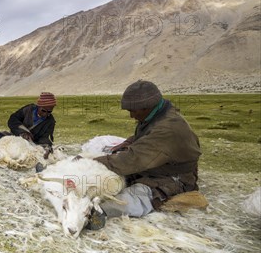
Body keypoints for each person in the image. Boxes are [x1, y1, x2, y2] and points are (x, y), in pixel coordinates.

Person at [86, 80, 201, 230]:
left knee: (136, 195)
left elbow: (131, 160)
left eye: (133, 111)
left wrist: (90, 162)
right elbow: (147, 137)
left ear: (146, 107)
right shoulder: (157, 114)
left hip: (173, 177)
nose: (131, 116)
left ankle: (99, 212)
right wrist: (128, 142)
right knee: (113, 180)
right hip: (155, 167)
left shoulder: (169, 128)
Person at [0, 92, 57, 161]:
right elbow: (13, 119)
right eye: (43, 111)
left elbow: (45, 138)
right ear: (38, 106)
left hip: (31, 143)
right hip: (15, 135)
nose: (45, 114)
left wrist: (45, 148)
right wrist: (22, 132)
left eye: (49, 112)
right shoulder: (28, 109)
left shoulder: (50, 121)